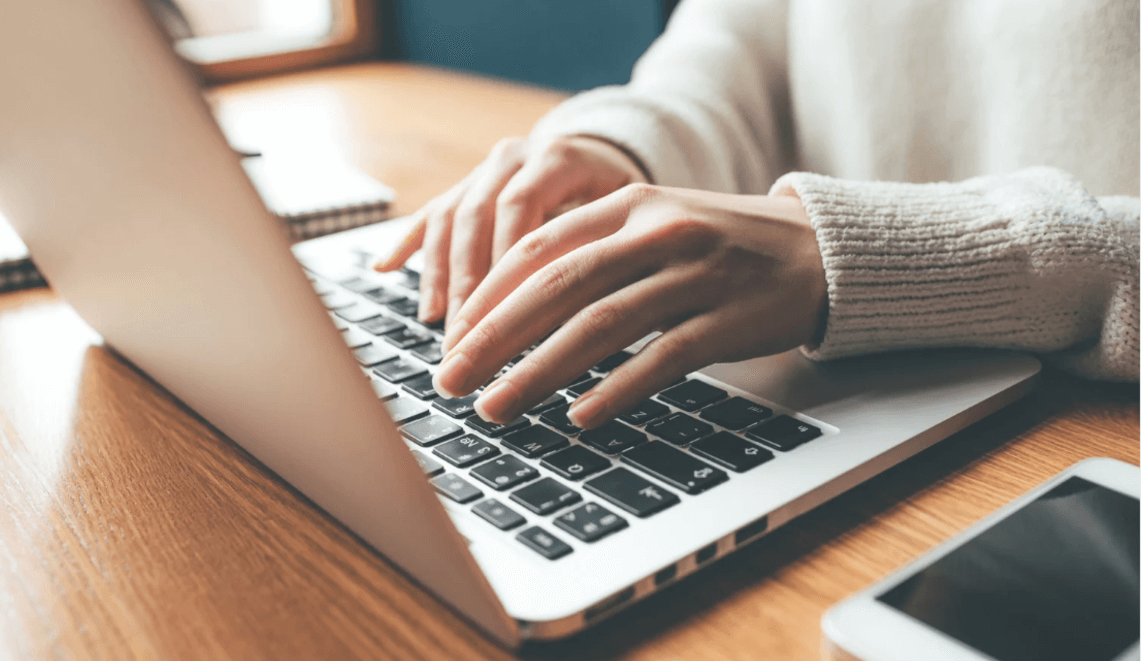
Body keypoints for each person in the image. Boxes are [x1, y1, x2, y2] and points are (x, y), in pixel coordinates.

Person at [375, 0, 1139, 429]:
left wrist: (862, 254)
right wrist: (620, 150)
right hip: (842, 391)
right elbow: (733, 52)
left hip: (1085, 439)